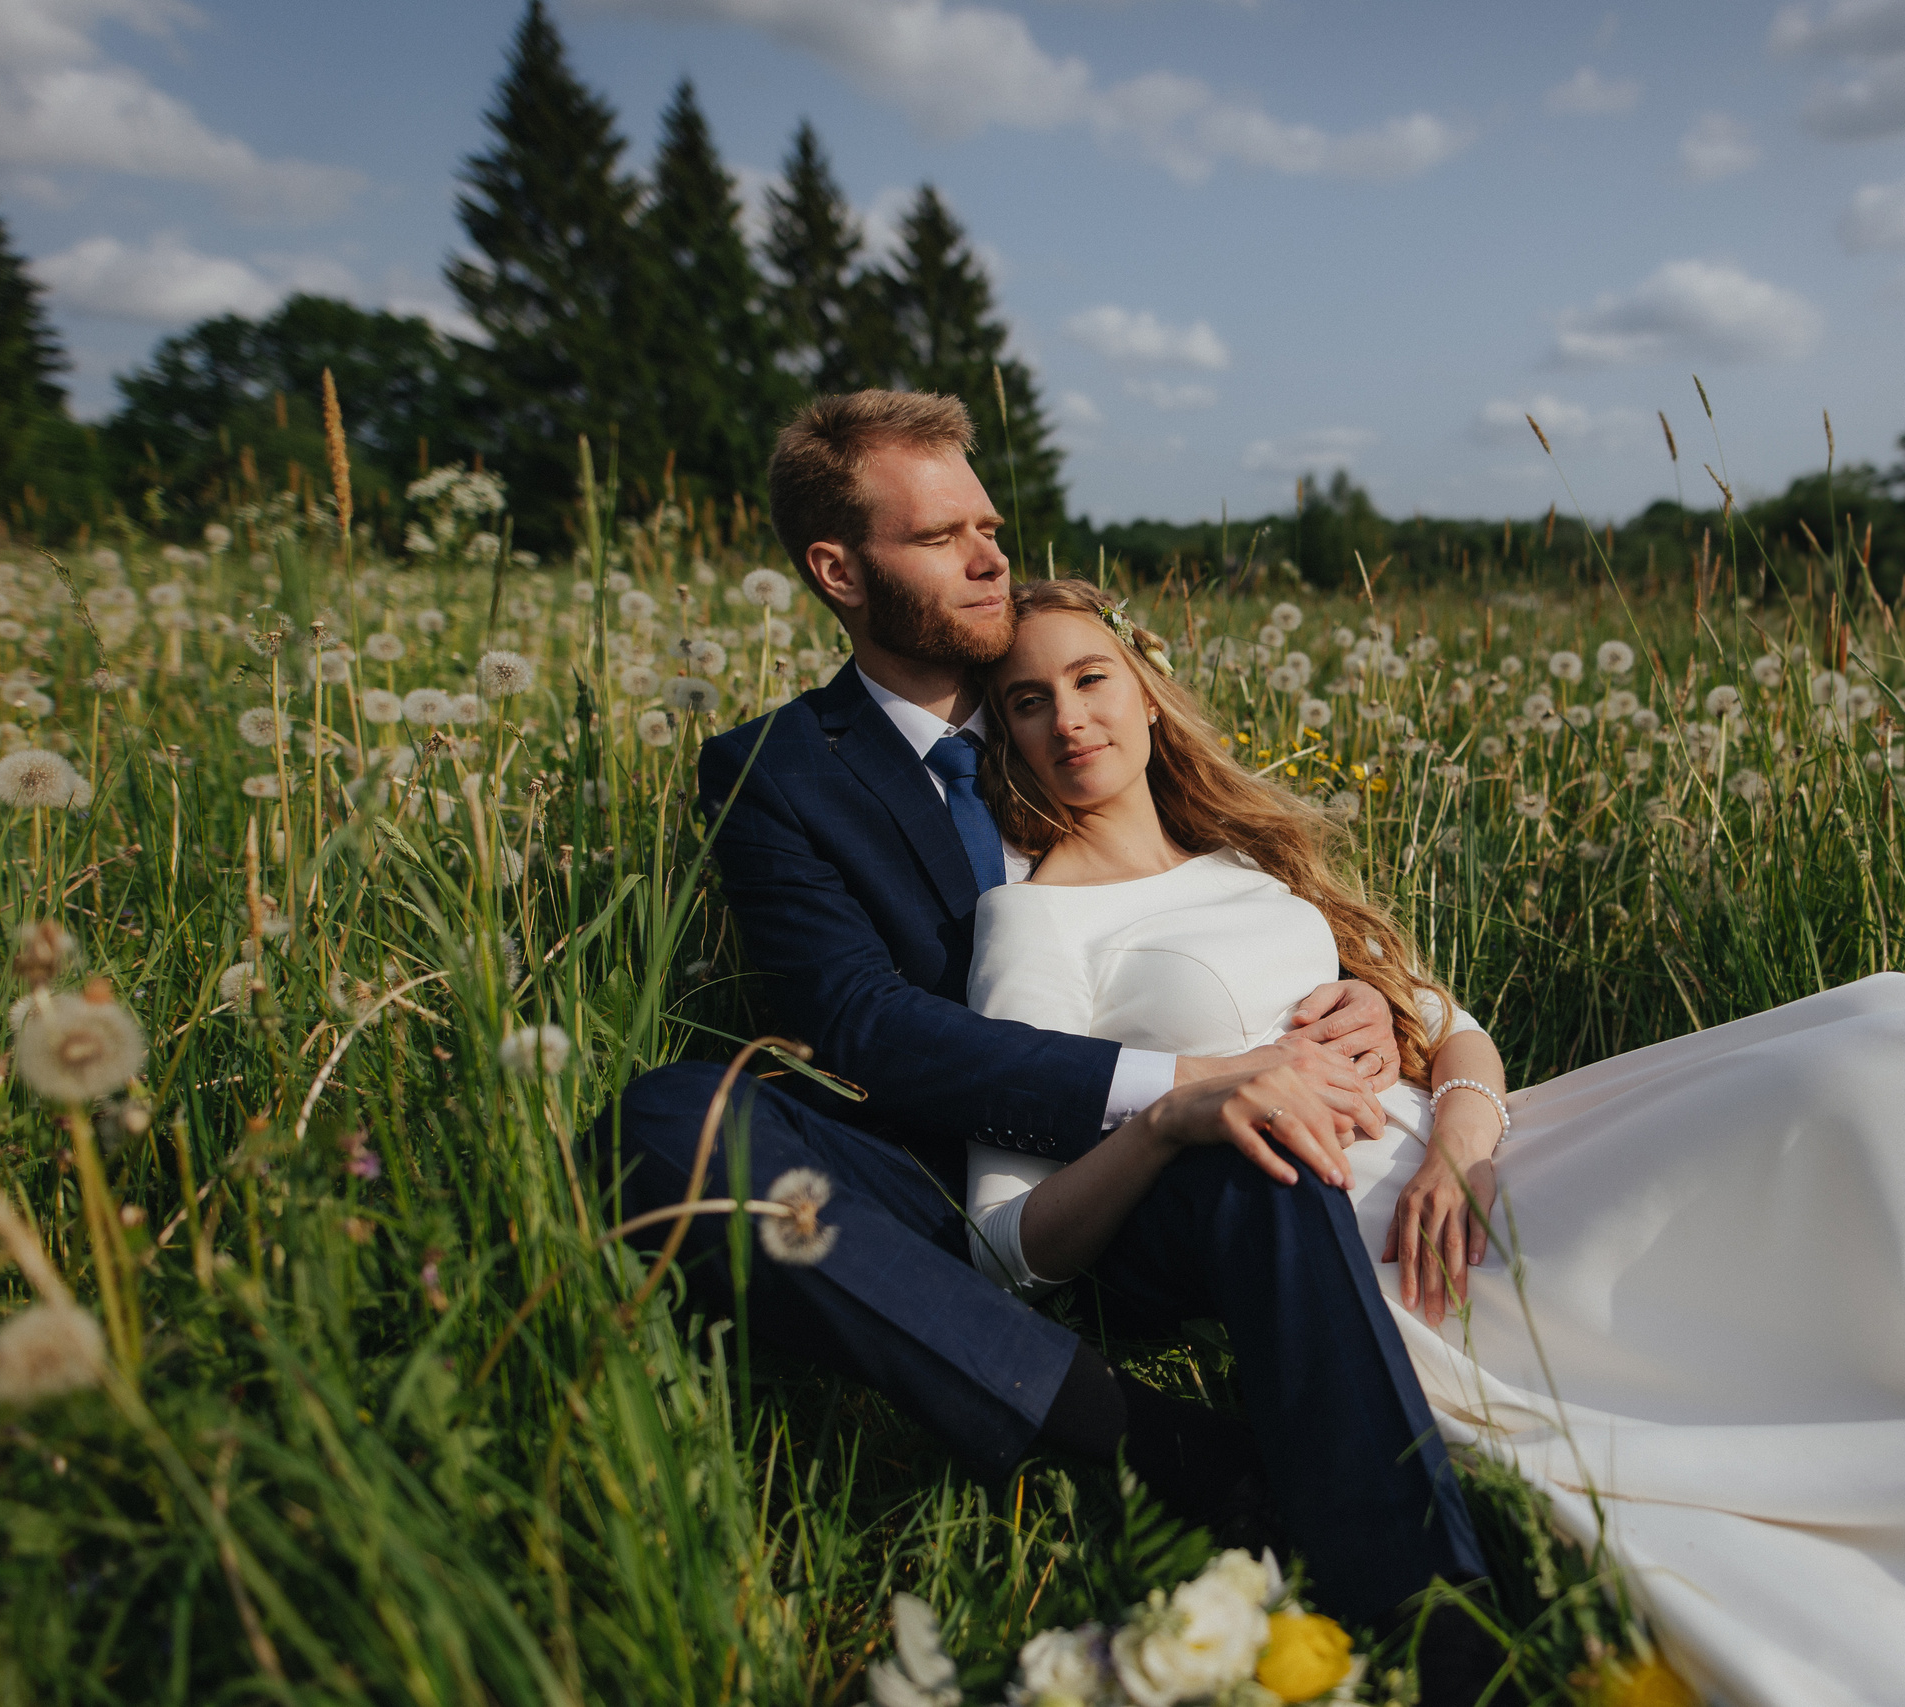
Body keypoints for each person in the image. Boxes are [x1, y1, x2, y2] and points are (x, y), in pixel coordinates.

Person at [961, 576, 1905, 1706]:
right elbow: (1011, 1239)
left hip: (1486, 1158)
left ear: (1146, 687)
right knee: (1894, 1063)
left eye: (1088, 677)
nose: (1066, 716)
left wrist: (1460, 1131)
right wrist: (1182, 1102)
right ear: (1006, 735)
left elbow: (1457, 1020)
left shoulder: (1251, 860)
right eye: (1026, 698)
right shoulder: (1032, 923)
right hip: (1377, 1244)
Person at [601, 392, 1498, 1662]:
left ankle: (1439, 1625)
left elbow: (1274, 929)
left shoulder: (1094, 705)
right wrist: (1183, 1079)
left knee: (1269, 1149)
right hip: (925, 1171)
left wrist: (1365, 1008)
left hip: (1151, 1194)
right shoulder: (780, 772)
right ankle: (1159, 1446)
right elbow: (861, 1021)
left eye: (990, 526)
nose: (986, 557)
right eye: (940, 537)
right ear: (837, 570)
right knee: (667, 1126)